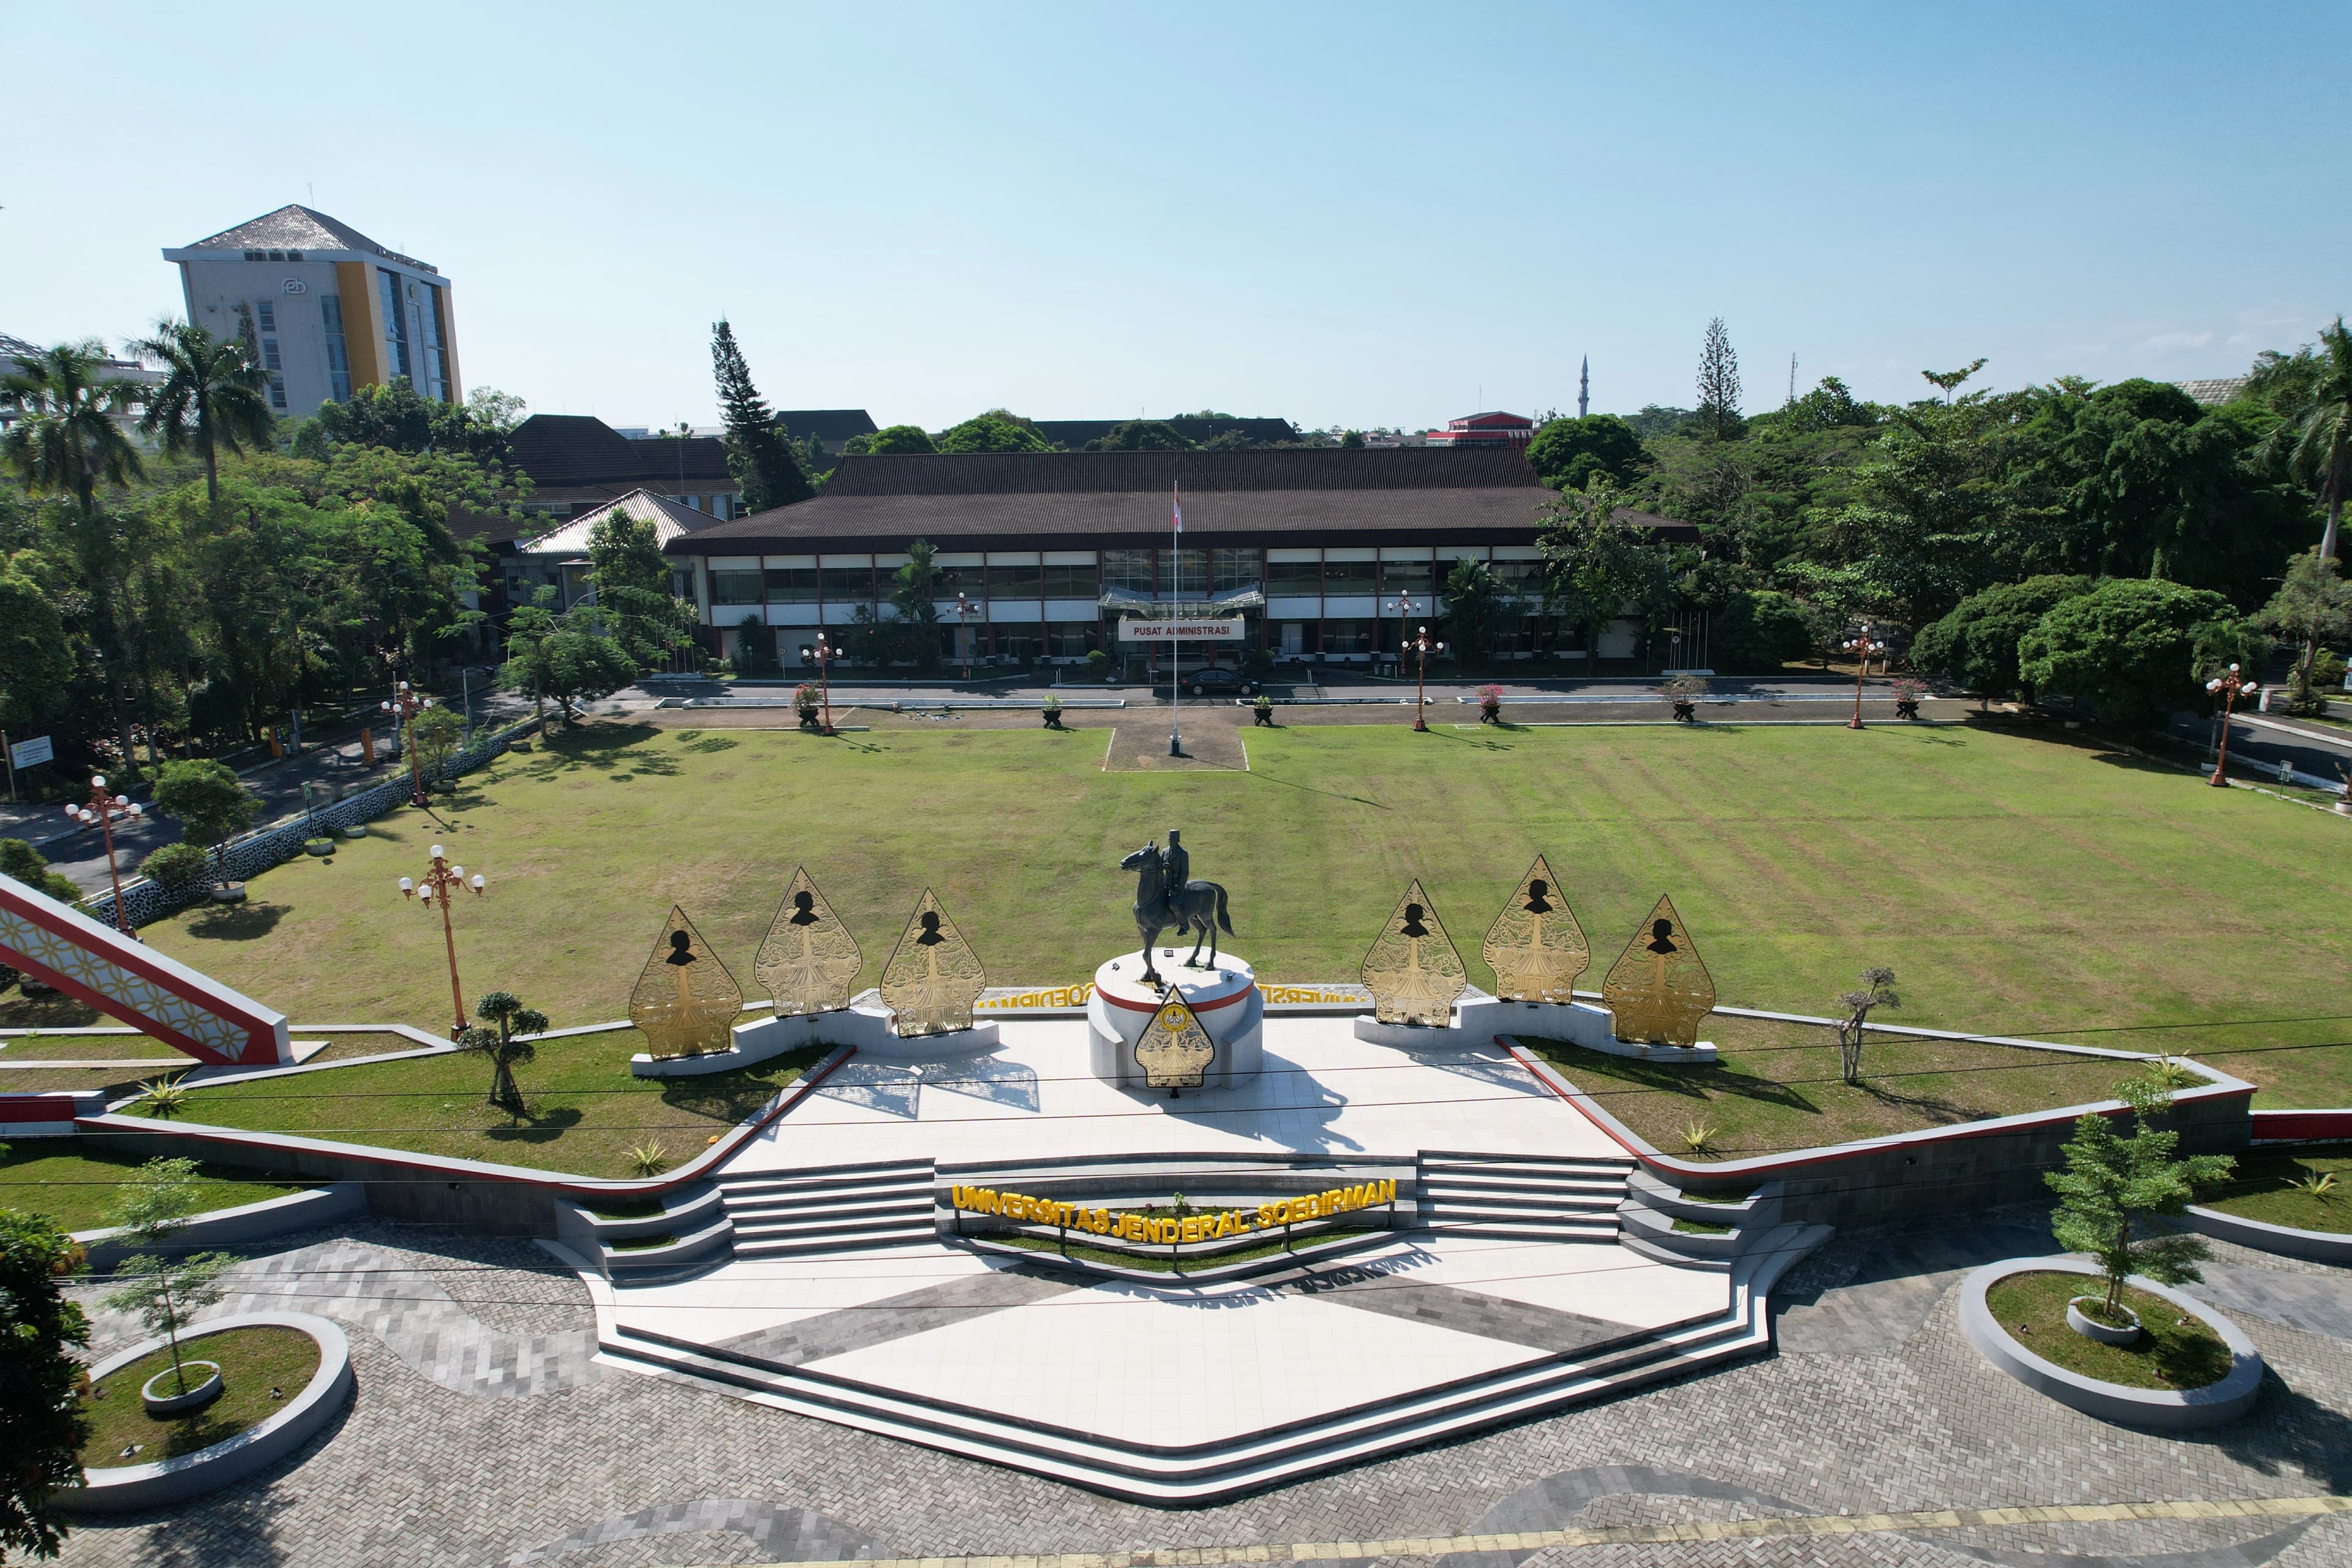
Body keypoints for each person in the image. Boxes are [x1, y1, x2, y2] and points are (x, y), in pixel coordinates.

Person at [1163, 828, 1190, 892]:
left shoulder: (1183, 854)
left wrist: (1179, 887)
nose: (1171, 842)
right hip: (1166, 882)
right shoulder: (1165, 851)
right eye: (1170, 840)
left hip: (1176, 884)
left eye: (1173, 840)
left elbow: (1185, 873)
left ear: (1178, 840)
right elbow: (1159, 866)